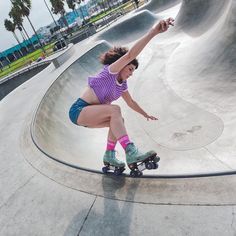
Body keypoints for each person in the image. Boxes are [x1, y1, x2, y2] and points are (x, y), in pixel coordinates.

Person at [69, 18, 174, 169]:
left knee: (118, 120)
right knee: (115, 110)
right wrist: (154, 32)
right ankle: (130, 151)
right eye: (130, 69)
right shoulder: (110, 71)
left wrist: (145, 114)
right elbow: (130, 55)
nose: (131, 73)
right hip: (78, 110)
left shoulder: (122, 85)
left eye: (133, 71)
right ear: (123, 65)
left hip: (89, 116)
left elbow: (131, 103)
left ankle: (109, 155)